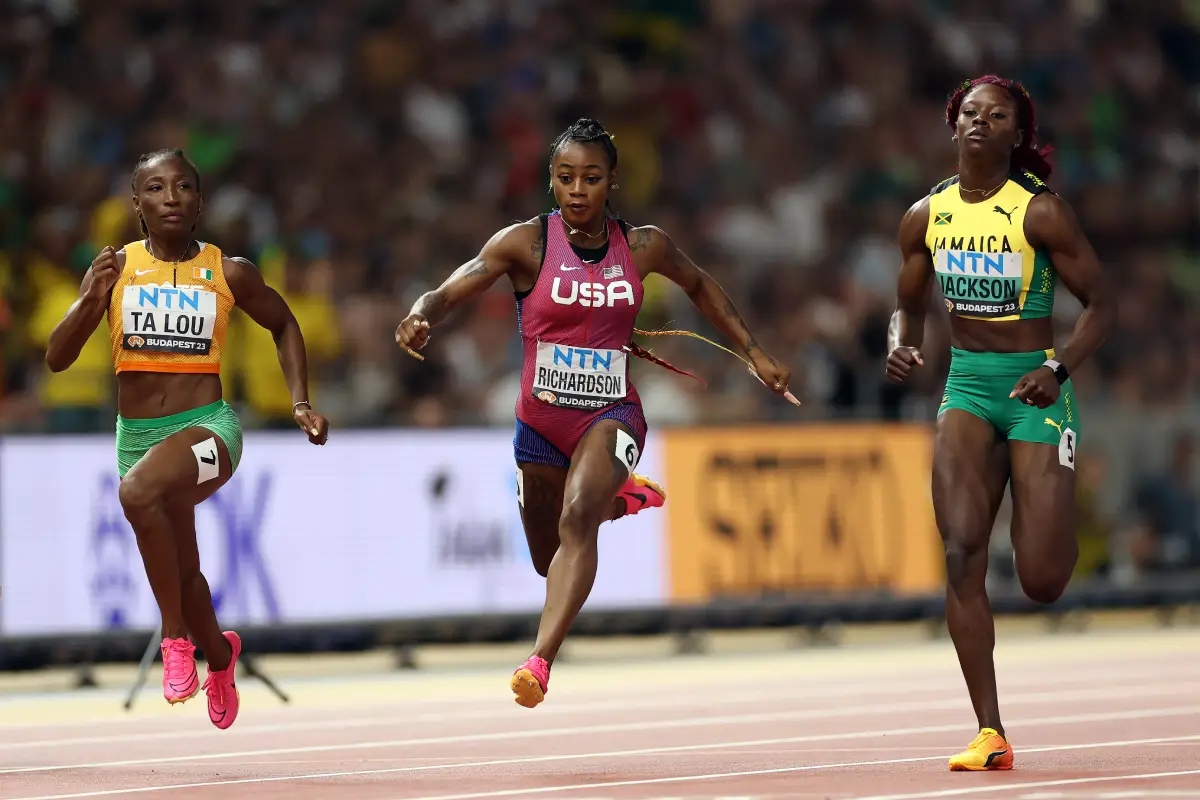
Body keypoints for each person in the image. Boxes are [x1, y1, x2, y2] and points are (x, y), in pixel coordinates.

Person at [395, 118, 793, 709]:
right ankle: (620, 500)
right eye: (565, 178)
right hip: (539, 425)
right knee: (546, 559)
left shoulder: (642, 246)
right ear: (551, 183)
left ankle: (538, 662)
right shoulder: (526, 243)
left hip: (611, 414)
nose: (578, 190)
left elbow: (701, 284)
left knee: (578, 520)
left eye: (591, 178)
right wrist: (422, 312)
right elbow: (459, 284)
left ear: (613, 182)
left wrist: (753, 351)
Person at [45, 149, 329, 730]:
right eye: (155, 188)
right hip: (137, 436)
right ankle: (220, 657)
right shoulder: (114, 269)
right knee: (184, 573)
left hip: (209, 431)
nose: (169, 197)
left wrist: (300, 401)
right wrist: (91, 300)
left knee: (136, 494)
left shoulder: (229, 272)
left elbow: (284, 323)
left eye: (182, 187)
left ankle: (175, 641)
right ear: (137, 204)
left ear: (199, 204)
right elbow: (57, 357)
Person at [885, 76, 1115, 770]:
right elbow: (909, 303)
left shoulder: (1038, 212)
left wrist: (1059, 371)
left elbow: (1102, 305)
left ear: (1019, 134)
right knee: (960, 553)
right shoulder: (925, 215)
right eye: (970, 113)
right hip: (967, 388)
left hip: (1034, 386)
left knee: (1042, 578)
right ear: (952, 126)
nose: (980, 122)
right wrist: (901, 341)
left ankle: (1053, 507)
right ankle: (990, 728)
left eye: (997, 115)